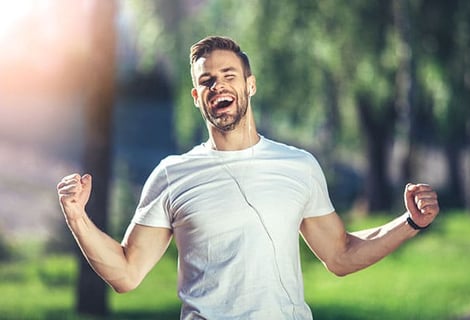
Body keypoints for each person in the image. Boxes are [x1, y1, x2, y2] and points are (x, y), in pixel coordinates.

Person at [57, 36, 439, 320]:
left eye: (228, 76)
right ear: (196, 96)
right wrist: (77, 216)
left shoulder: (298, 165)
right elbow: (126, 273)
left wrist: (410, 223)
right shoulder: (173, 174)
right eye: (207, 81)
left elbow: (339, 255)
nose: (218, 85)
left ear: (249, 85)